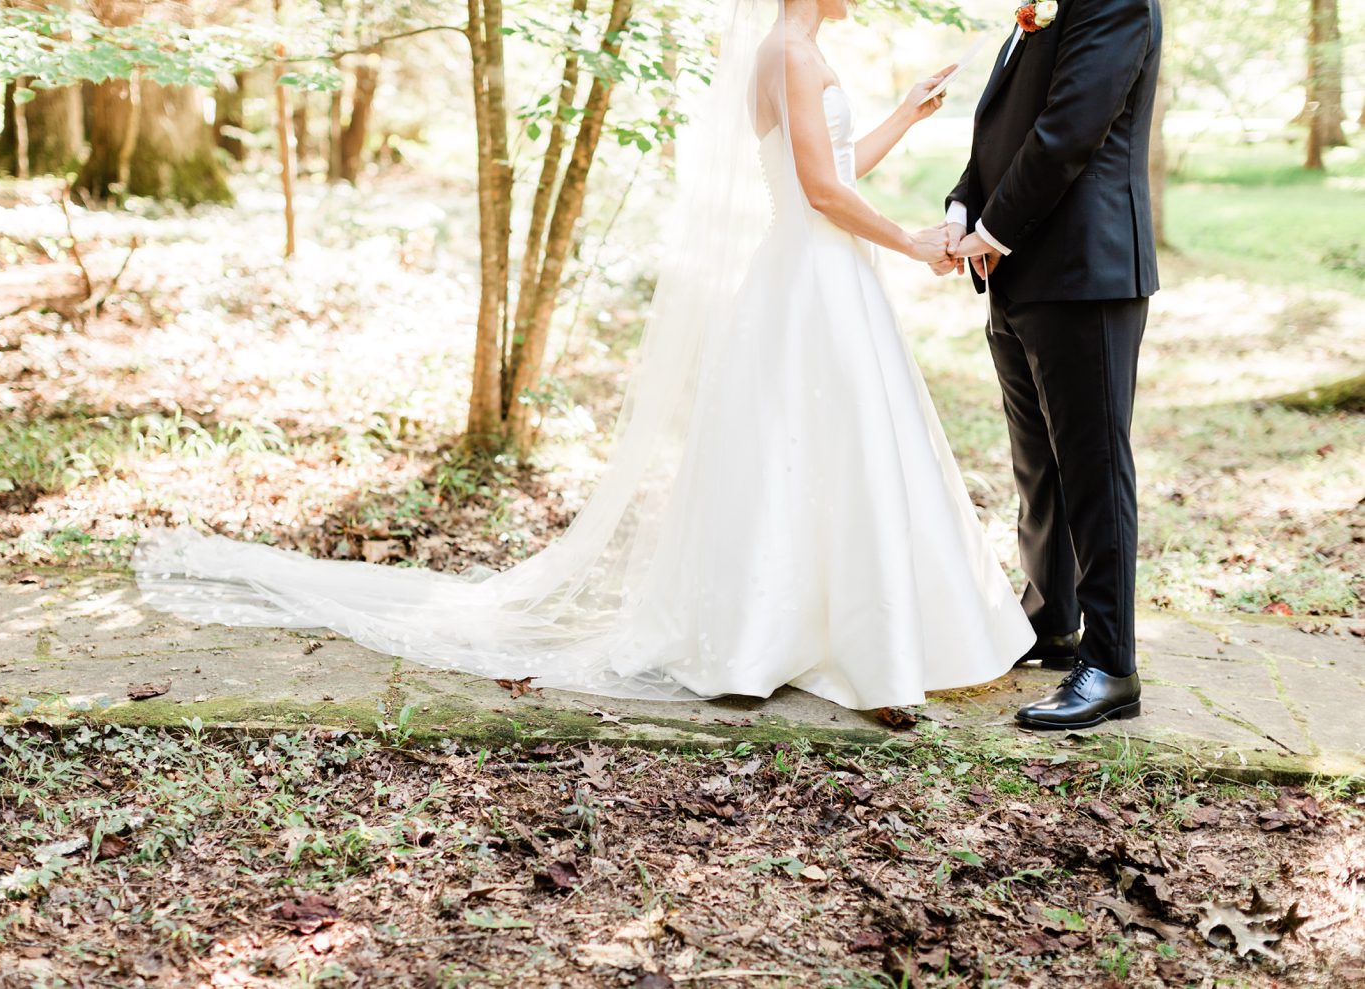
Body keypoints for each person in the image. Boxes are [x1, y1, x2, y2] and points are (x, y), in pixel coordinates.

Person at [131, 0, 1036, 712]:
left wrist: (903, 119)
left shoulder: (800, 53)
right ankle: (786, 639)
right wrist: (913, 244)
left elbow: (832, 172)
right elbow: (820, 193)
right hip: (813, 278)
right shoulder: (790, 54)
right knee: (808, 448)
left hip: (826, 277)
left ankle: (823, 631)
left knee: (833, 450)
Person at [934, 0, 1162, 729]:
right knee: (1038, 463)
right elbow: (1003, 128)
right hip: (1017, 270)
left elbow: (1069, 131)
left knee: (1093, 465)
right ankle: (1052, 618)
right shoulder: (1037, 10)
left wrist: (996, 228)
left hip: (1084, 270)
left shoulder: (1115, 1)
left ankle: (1111, 663)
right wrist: (964, 205)